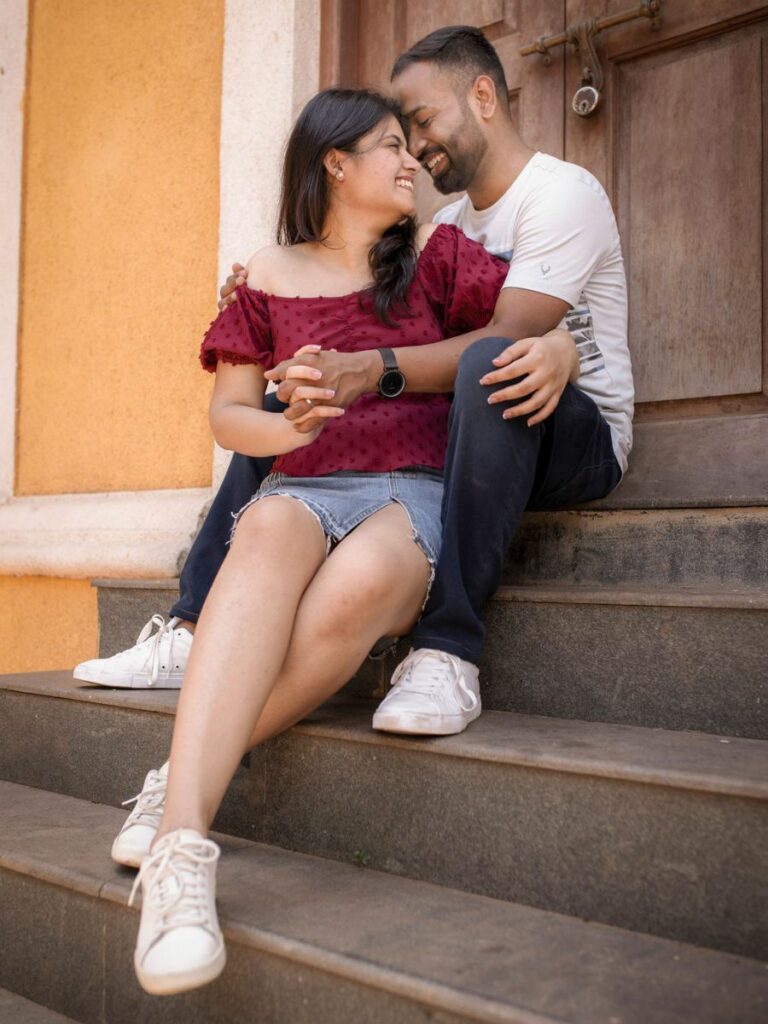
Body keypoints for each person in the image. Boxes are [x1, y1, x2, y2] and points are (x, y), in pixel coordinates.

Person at [123, 85, 528, 996]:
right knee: (261, 533)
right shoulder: (265, 273)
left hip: (414, 495)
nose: (412, 159)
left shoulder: (438, 255)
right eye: (390, 145)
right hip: (306, 483)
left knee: (352, 597)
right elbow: (231, 415)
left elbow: (519, 332)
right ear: (334, 164)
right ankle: (181, 861)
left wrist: (567, 354)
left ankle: (175, 781)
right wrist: (289, 432)